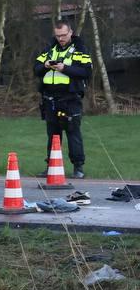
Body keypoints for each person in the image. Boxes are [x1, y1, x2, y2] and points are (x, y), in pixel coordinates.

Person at [35, 20, 93, 179]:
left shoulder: (80, 49)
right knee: (53, 135)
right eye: (58, 35)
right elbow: (36, 69)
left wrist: (64, 68)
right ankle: (51, 167)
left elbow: (86, 72)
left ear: (70, 32)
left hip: (70, 98)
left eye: (63, 35)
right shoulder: (49, 49)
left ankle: (78, 168)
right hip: (50, 99)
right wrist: (46, 65)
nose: (60, 38)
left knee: (73, 132)